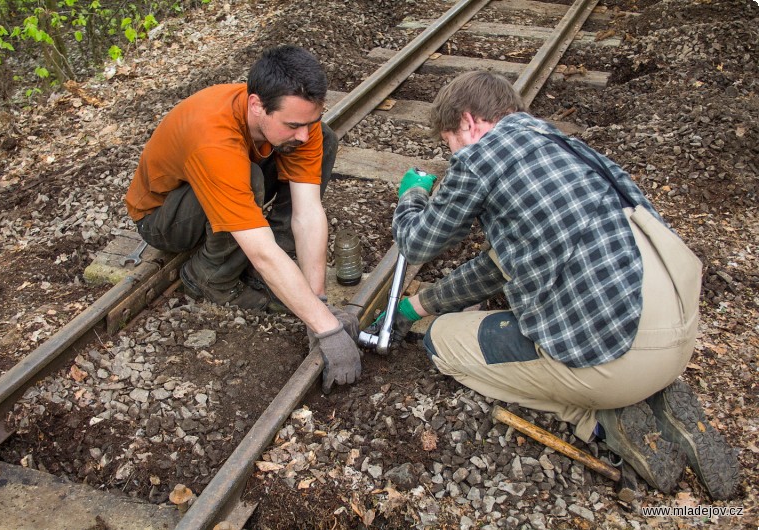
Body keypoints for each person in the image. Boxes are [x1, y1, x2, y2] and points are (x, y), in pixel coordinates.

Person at [385, 71, 739, 499]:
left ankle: (600, 416)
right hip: (677, 336)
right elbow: (499, 267)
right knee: (480, 314)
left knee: (441, 342)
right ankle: (651, 393)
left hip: (614, 358)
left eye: (449, 142)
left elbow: (416, 241)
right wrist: (417, 306)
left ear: (467, 122)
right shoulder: (562, 147)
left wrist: (412, 197)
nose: (452, 154)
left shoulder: (483, 156)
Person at [124, 45, 361, 393]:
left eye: (308, 121)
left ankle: (270, 277)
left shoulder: (298, 124)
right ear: (256, 105)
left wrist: (317, 303)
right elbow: (260, 248)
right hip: (165, 218)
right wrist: (328, 330)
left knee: (323, 140)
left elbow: (307, 213)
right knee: (247, 179)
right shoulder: (213, 141)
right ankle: (208, 278)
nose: (303, 134)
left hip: (226, 179)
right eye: (294, 124)